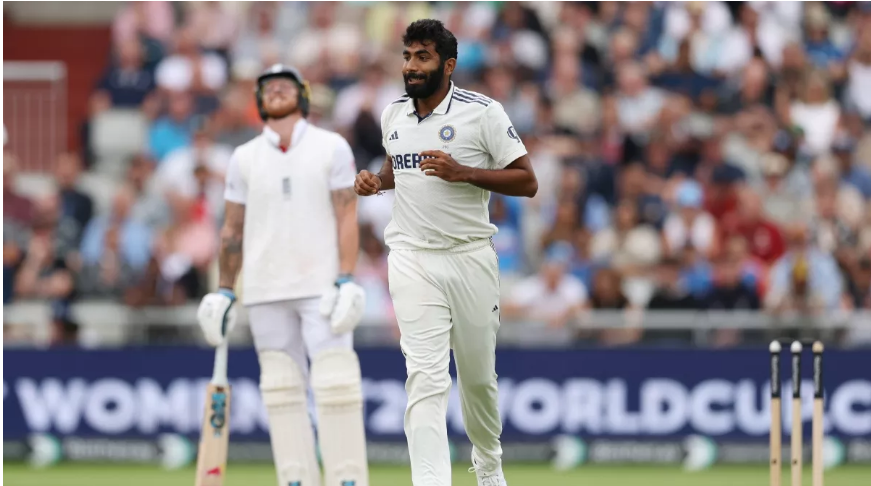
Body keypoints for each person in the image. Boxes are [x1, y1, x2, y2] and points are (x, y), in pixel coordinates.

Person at [354, 19, 538, 486]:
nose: (411, 66)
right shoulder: (393, 114)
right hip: (411, 257)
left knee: (477, 379)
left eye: (423, 57)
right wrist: (377, 181)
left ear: (448, 65)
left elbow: (527, 181)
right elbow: (400, 168)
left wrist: (464, 173)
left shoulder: (484, 113)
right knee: (425, 376)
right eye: (407, 56)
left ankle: (489, 465)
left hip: (470, 255)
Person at [195, 64, 369, 486]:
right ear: (258, 101)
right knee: (281, 389)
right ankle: (296, 479)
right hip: (264, 288)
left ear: (302, 95)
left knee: (336, 383)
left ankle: (347, 479)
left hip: (321, 286)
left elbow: (347, 214)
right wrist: (224, 290)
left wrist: (346, 276)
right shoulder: (244, 157)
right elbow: (232, 229)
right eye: (268, 87)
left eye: (284, 85)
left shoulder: (331, 146)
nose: (275, 90)